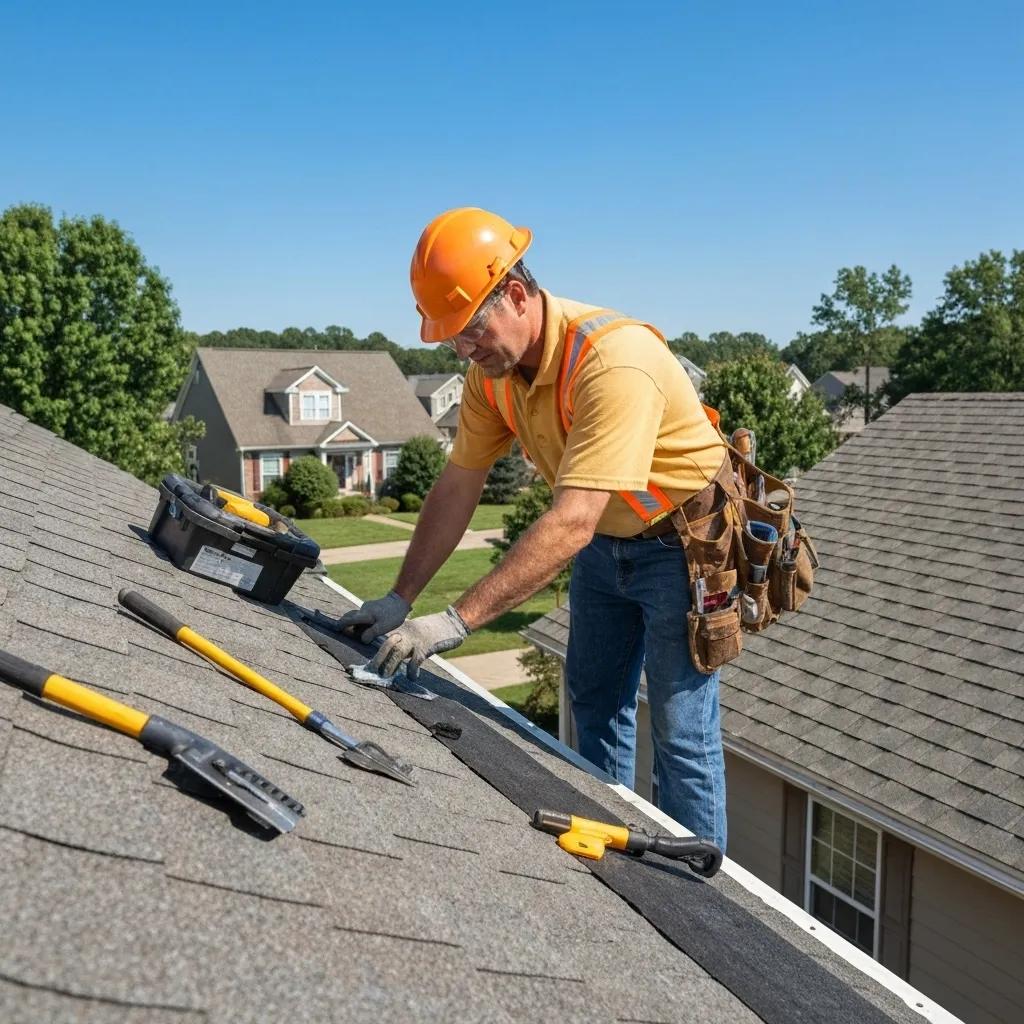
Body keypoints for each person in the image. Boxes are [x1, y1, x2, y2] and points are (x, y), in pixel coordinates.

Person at [336, 207, 730, 850]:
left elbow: (571, 522)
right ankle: (608, 844)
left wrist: (453, 622)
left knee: (681, 733)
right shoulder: (492, 378)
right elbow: (458, 485)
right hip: (606, 541)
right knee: (595, 703)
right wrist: (400, 598)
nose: (465, 350)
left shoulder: (613, 361)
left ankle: (701, 886)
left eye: (471, 329)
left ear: (517, 295)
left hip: (682, 547)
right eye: (452, 339)